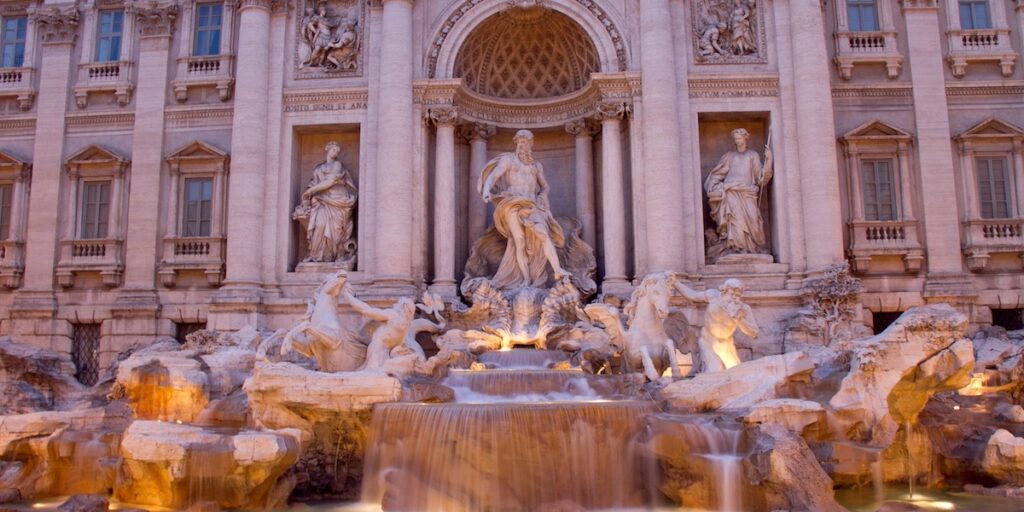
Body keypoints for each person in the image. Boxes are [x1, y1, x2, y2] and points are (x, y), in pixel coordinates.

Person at [478, 130, 569, 289]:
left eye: (526, 142)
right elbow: (494, 176)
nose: (523, 145)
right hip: (512, 203)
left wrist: (542, 196)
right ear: (516, 143)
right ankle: (526, 279)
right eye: (520, 142)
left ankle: (557, 269)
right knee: (518, 241)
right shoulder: (508, 160)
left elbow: (545, 186)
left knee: (544, 235)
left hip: (531, 204)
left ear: (530, 144)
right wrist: (486, 190)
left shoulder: (535, 166)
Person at [704, 128, 773, 256]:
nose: (737, 141)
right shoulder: (729, 156)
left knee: (753, 219)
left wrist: (768, 161)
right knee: (735, 220)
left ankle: (753, 247)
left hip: (748, 192)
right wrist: (715, 186)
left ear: (745, 139)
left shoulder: (753, 155)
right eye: (735, 139)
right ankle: (736, 248)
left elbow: (760, 178)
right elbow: (717, 175)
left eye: (740, 138)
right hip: (731, 192)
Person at [673, 278, 759, 372]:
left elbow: (754, 332)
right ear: (724, 291)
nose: (734, 297)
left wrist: (738, 320)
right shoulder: (713, 295)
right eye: (731, 293)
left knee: (735, 372)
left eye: (737, 295)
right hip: (707, 341)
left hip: (726, 344)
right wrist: (676, 283)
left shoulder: (743, 309)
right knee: (714, 370)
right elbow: (693, 295)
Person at [294, 141, 358, 264]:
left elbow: (329, 182)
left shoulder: (337, 165)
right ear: (327, 149)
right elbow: (313, 183)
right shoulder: (319, 168)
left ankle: (332, 257)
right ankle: (316, 255)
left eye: (337, 151)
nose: (336, 153)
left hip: (338, 200)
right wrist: (308, 195)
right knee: (319, 225)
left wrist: (311, 191)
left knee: (336, 230)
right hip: (321, 201)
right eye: (334, 150)